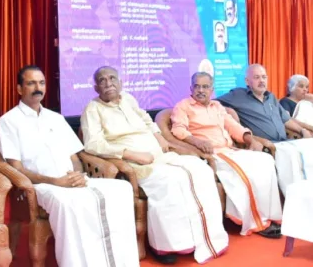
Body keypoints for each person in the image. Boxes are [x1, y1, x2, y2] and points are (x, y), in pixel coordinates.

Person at [81, 66, 228, 264]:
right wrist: (130, 154)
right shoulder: (93, 109)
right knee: (171, 181)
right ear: (95, 87)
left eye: (112, 78)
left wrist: (158, 136)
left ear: (120, 82)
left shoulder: (129, 99)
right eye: (102, 80)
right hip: (133, 163)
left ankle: (203, 236)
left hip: (159, 156)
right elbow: (92, 144)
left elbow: (145, 118)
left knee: (201, 169)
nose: (108, 84)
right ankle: (166, 245)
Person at [0, 66, 140, 266]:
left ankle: (117, 261)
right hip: (41, 185)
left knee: (122, 189)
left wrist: (78, 175)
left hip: (71, 179)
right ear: (20, 89)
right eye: (31, 83)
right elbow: (16, 168)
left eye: (41, 83)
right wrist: (56, 181)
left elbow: (74, 157)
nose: (38, 88)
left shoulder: (56, 118)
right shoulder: (9, 121)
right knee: (68, 204)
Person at [171, 72, 282, 239]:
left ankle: (268, 214)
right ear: (191, 88)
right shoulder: (183, 106)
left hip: (230, 150)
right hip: (211, 153)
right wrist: (197, 142)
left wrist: (249, 139)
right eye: (197, 86)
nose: (201, 90)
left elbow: (233, 126)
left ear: (212, 89)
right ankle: (256, 222)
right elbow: (178, 129)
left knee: (265, 160)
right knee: (247, 172)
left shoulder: (217, 106)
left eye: (205, 86)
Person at [217, 64, 313, 194]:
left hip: (285, 141)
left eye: (264, 77)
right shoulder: (237, 95)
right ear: (247, 81)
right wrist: (229, 110)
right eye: (256, 77)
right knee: (291, 156)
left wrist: (302, 130)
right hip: (269, 144)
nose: (261, 81)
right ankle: (294, 195)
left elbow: (286, 120)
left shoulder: (271, 97)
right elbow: (213, 103)